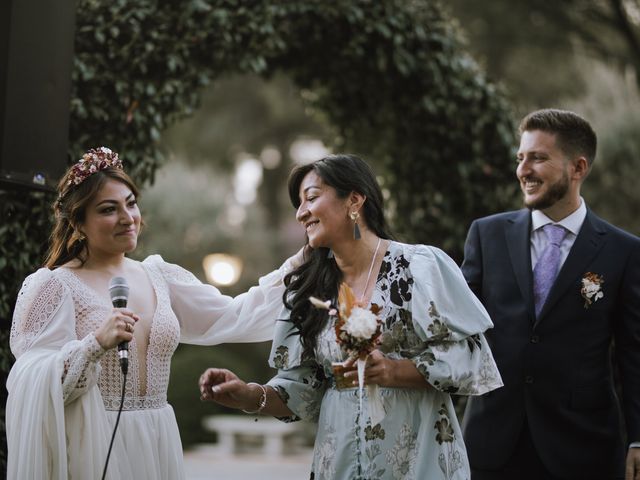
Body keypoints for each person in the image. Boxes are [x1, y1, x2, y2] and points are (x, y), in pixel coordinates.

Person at [199, 153, 503, 480]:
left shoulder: (420, 267)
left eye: (311, 198)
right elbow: (303, 390)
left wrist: (394, 370)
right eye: (298, 204)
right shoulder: (308, 290)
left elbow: (472, 357)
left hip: (419, 458)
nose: (302, 213)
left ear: (354, 200)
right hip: (339, 462)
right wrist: (249, 395)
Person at [5, 147, 301, 479]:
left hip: (158, 435)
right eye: (108, 209)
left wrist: (306, 261)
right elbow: (30, 380)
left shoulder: (160, 276)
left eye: (130, 203)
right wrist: (93, 344)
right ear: (77, 221)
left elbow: (233, 315)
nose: (127, 217)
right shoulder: (54, 285)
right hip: (94, 444)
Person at [460, 109, 640, 480]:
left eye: (538, 158)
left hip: (584, 447)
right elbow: (456, 328)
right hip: (492, 443)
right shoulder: (486, 234)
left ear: (578, 168)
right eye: (520, 158)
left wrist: (638, 439)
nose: (523, 170)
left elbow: (633, 353)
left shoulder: (624, 251)